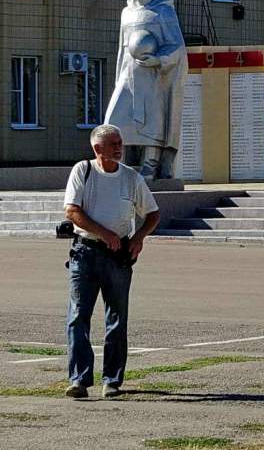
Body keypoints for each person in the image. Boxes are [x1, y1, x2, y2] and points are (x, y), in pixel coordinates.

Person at [63, 124, 160, 399]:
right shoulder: (84, 171)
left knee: (117, 319)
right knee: (78, 317)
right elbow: (72, 211)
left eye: (121, 143)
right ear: (98, 149)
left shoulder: (131, 178)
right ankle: (79, 380)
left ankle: (112, 380)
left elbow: (152, 214)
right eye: (113, 144)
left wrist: (139, 237)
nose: (119, 148)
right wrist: (103, 233)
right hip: (85, 252)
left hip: (118, 257)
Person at [104, 0, 187, 180]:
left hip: (152, 72)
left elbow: (176, 46)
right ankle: (117, 165)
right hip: (128, 72)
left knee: (153, 120)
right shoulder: (127, 12)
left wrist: (159, 60)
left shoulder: (163, 12)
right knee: (113, 119)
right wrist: (118, 76)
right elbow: (122, 49)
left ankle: (150, 165)